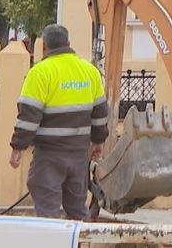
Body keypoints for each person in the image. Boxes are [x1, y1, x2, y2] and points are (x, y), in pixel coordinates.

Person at [9, 24, 109, 220]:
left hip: (49, 157)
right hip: (79, 156)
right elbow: (100, 113)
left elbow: (29, 116)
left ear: (44, 46)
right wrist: (98, 142)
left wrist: (17, 148)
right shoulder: (90, 71)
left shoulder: (39, 73)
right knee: (78, 212)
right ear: (68, 43)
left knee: (48, 215)